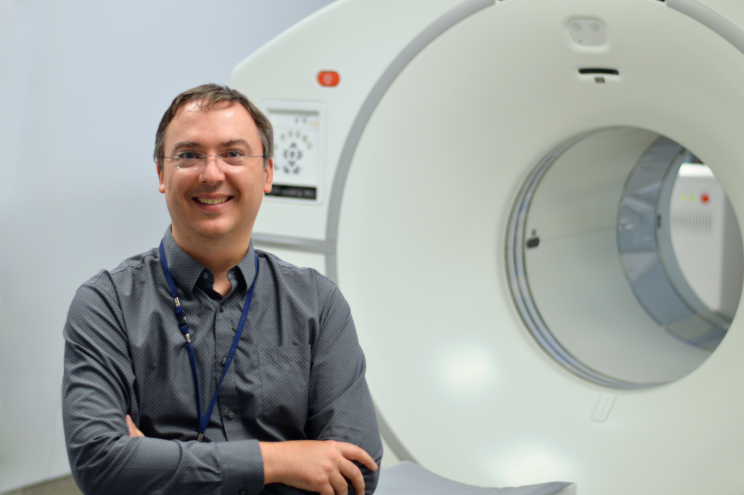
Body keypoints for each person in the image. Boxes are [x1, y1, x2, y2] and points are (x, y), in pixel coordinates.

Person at [62, 84, 382, 495]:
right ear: (161, 173)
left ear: (267, 173)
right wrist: (281, 460)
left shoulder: (318, 305)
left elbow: (357, 471)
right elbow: (100, 465)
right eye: (189, 155)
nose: (212, 174)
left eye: (233, 153)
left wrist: (154, 462)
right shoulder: (106, 306)